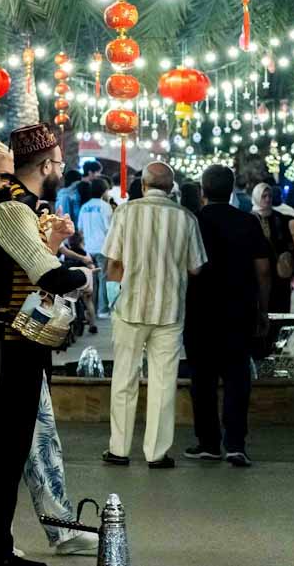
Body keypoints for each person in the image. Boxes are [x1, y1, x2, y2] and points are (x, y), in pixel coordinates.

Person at [0, 123, 90, 566]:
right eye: (59, 164)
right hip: (3, 350)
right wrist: (87, 277)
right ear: (45, 166)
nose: (61, 171)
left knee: (1, 458)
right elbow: (48, 274)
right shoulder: (12, 210)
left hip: (7, 346)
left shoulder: (16, 207)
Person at [101, 162, 206, 468]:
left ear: (143, 185)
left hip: (129, 308)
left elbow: (113, 264)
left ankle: (119, 449)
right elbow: (196, 267)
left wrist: (115, 296)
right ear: (171, 188)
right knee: (163, 382)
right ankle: (157, 454)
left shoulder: (125, 213)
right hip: (169, 311)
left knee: (124, 378)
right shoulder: (186, 218)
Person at [183, 164, 272, 467]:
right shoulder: (248, 221)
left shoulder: (193, 222)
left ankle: (208, 442)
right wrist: (262, 309)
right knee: (237, 377)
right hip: (239, 309)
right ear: (232, 189)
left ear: (203, 191)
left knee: (202, 378)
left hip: (199, 311)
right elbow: (263, 269)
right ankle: (235, 443)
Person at [253, 183, 294, 314]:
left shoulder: (279, 218)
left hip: (280, 272)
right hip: (259, 273)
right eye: (264, 196)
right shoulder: (250, 219)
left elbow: (289, 245)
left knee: (281, 309)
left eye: (269, 196)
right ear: (257, 197)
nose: (267, 199)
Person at [75, 179, 114, 317]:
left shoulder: (84, 207)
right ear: (104, 191)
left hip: (88, 249)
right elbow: (109, 229)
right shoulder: (105, 207)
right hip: (102, 247)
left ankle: (90, 309)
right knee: (103, 279)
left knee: (91, 280)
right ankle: (102, 310)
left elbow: (80, 229)